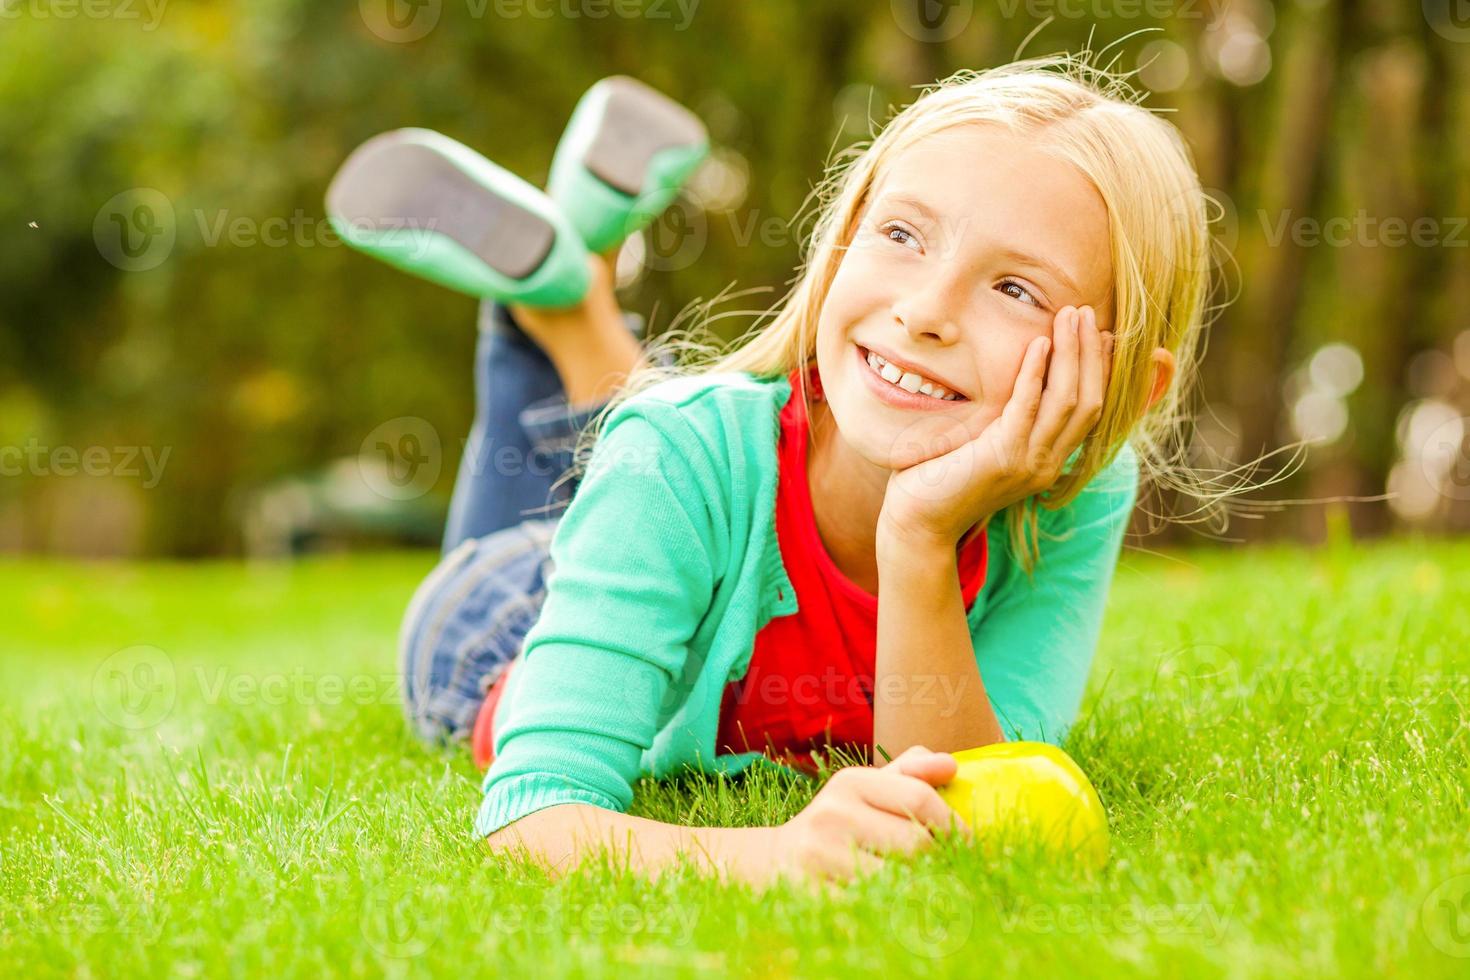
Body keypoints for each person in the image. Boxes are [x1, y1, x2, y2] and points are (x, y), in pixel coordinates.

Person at [373, 59, 1210, 885]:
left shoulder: (1071, 495)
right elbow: (531, 814)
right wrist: (772, 854)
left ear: (1124, 386)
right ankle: (556, 305)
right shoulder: (673, 457)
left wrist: (919, 535)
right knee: (652, 444)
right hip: (495, 627)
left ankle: (567, 280)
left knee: (657, 448)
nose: (924, 312)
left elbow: (972, 789)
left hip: (664, 517)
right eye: (901, 235)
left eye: (1016, 289)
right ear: (840, 243)